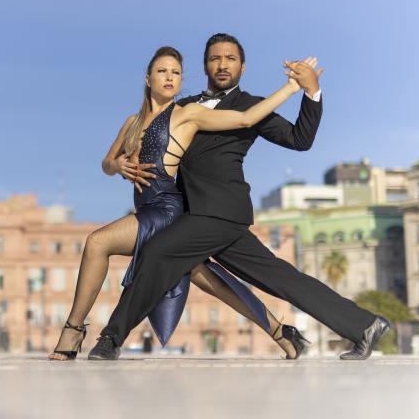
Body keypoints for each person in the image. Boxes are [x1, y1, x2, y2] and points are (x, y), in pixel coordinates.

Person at [88, 34, 389, 361]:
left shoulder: (250, 106)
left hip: (218, 212)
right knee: (282, 278)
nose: (222, 64)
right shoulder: (183, 106)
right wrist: (118, 163)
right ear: (205, 65)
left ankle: (110, 339)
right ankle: (365, 325)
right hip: (194, 214)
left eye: (230, 58)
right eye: (215, 58)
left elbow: (299, 140)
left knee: (157, 252)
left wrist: (311, 92)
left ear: (242, 67)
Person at [49, 46, 311, 361]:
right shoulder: (132, 122)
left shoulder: (187, 114)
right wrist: (117, 166)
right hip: (145, 209)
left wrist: (291, 87)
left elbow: (245, 119)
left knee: (97, 242)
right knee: (208, 280)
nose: (170, 77)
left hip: (167, 210)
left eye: (176, 72)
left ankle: (74, 329)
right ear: (148, 79)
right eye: (162, 71)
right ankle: (282, 333)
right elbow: (107, 162)